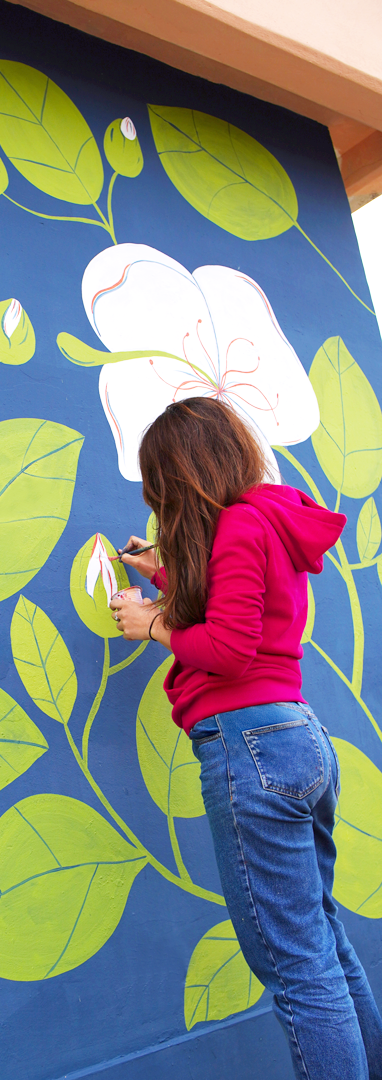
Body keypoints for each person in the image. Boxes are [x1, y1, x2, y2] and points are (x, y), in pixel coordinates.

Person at [110, 396, 382, 1080]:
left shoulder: (234, 528)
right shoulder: (265, 522)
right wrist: (165, 578)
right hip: (296, 739)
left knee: (294, 966)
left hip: (249, 742)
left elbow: (227, 649)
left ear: (184, 474)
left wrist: (153, 624)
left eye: (161, 489)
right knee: (321, 944)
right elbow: (245, 607)